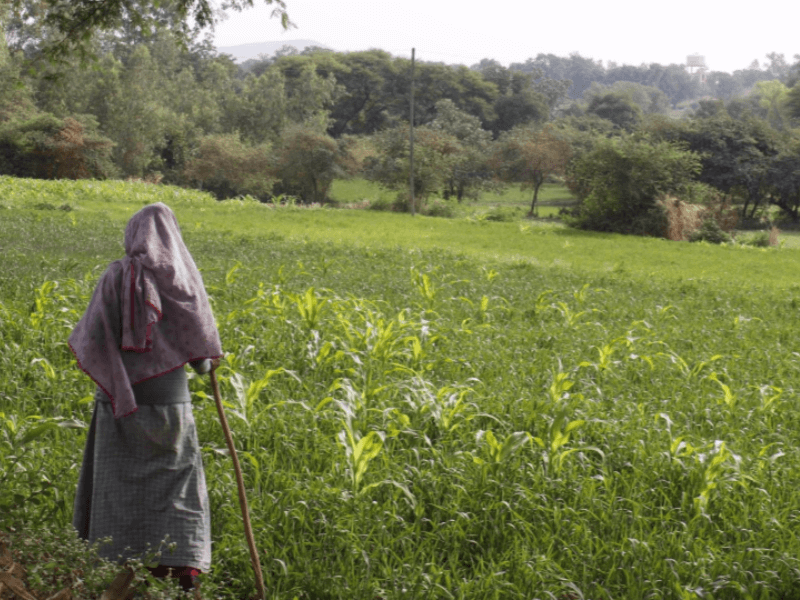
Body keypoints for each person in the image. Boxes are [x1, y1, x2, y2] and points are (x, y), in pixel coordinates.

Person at [68, 202, 223, 597]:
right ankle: (177, 576)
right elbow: (204, 360)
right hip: (172, 411)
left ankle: (120, 578)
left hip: (118, 408)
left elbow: (92, 341)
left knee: (118, 493)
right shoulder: (183, 282)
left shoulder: (113, 278)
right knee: (176, 493)